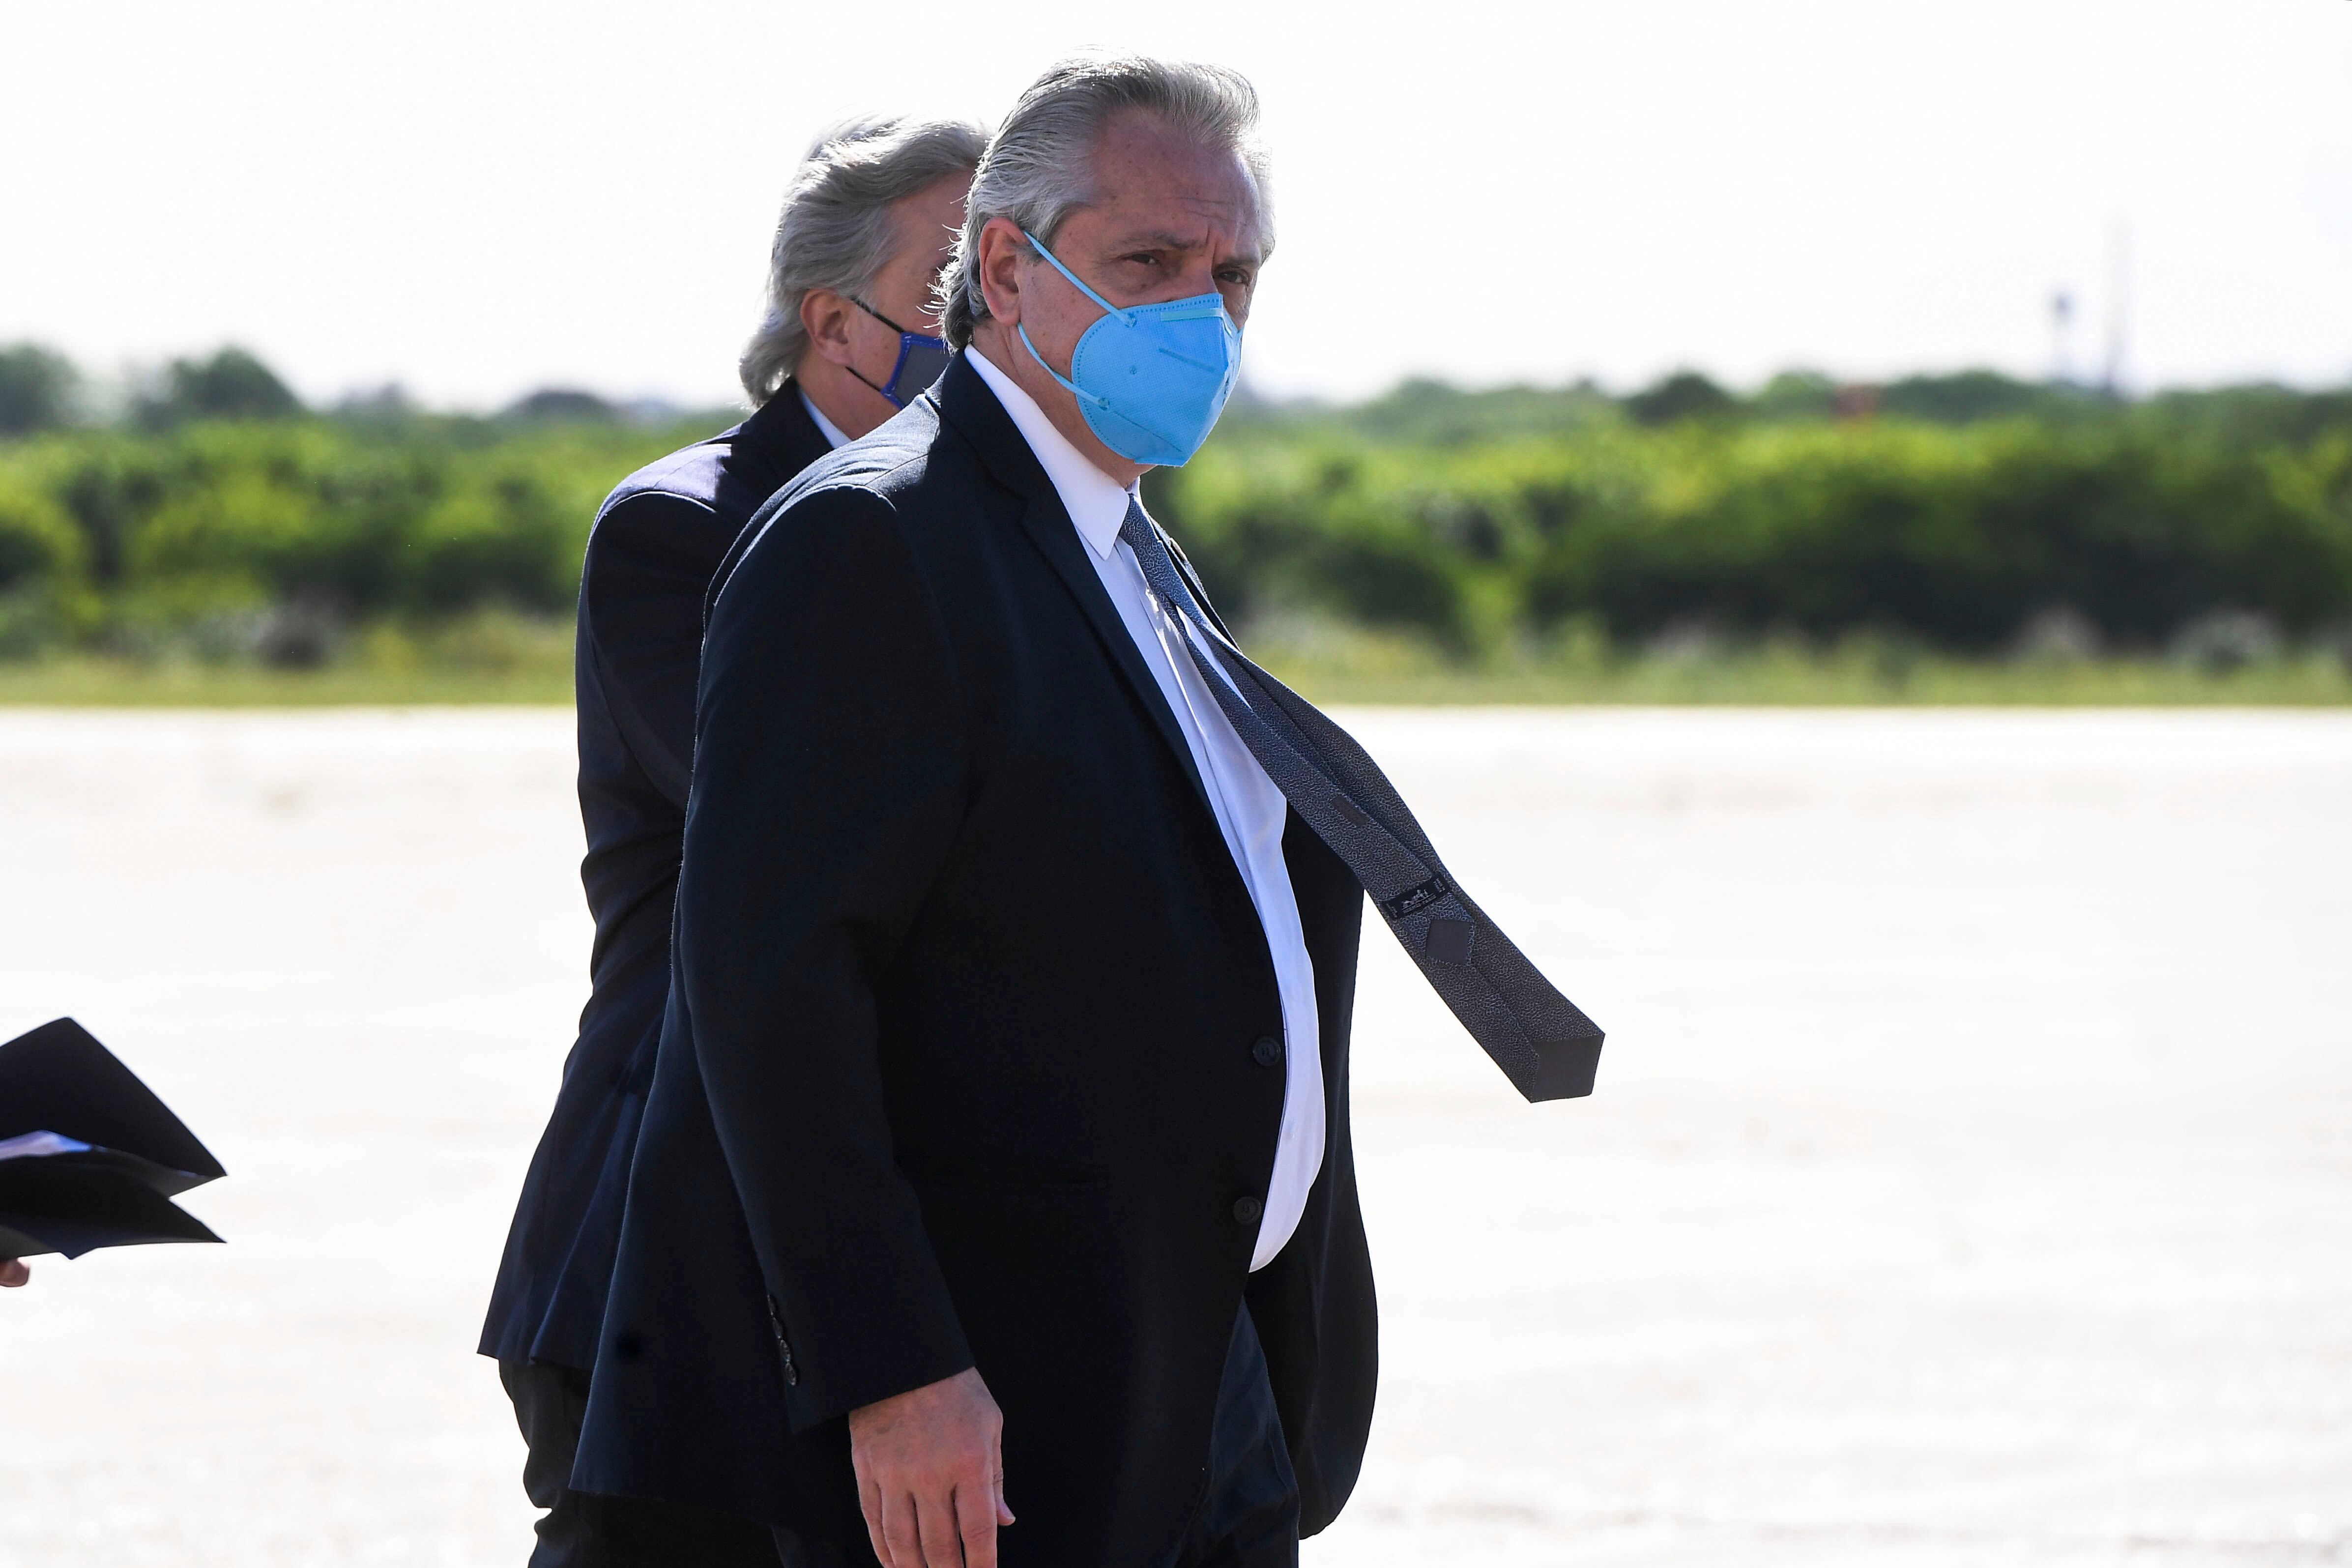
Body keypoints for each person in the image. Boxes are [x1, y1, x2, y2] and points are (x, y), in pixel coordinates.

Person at [574, 53, 1599, 1568]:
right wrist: (894, 1369)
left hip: (1193, 1364)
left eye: (1232, 272)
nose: (1203, 310)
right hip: (992, 1393)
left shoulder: (1125, 546)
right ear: (1004, 265)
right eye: (1149, 262)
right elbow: (769, 987)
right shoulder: (876, 540)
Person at [478, 113, 987, 1568]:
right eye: (960, 286)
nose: (999, 321)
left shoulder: (1055, 551)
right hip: (674, 1262)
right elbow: (817, 843)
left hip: (910, 1263)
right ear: (837, 323)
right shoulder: (688, 531)